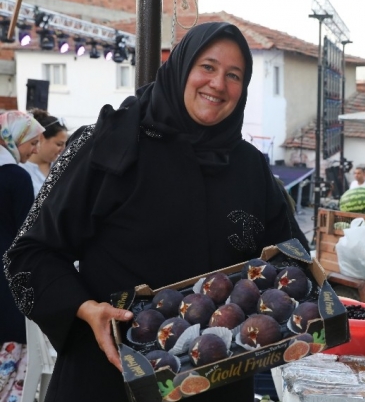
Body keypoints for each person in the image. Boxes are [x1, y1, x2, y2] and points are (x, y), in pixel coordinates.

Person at [4, 22, 307, 402]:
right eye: (208, 67)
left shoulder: (250, 167)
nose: (218, 84)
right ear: (180, 68)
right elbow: (29, 255)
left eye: (234, 75)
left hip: (216, 380)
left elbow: (292, 257)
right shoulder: (107, 143)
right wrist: (84, 309)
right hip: (110, 374)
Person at [0, 111, 44, 345]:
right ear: (13, 138)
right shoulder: (16, 177)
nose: (36, 150)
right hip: (6, 277)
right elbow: (25, 234)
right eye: (33, 142)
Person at [20, 109, 69, 197]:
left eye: (65, 144)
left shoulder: (63, 167)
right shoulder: (20, 168)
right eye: (59, 144)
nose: (63, 149)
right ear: (41, 137)